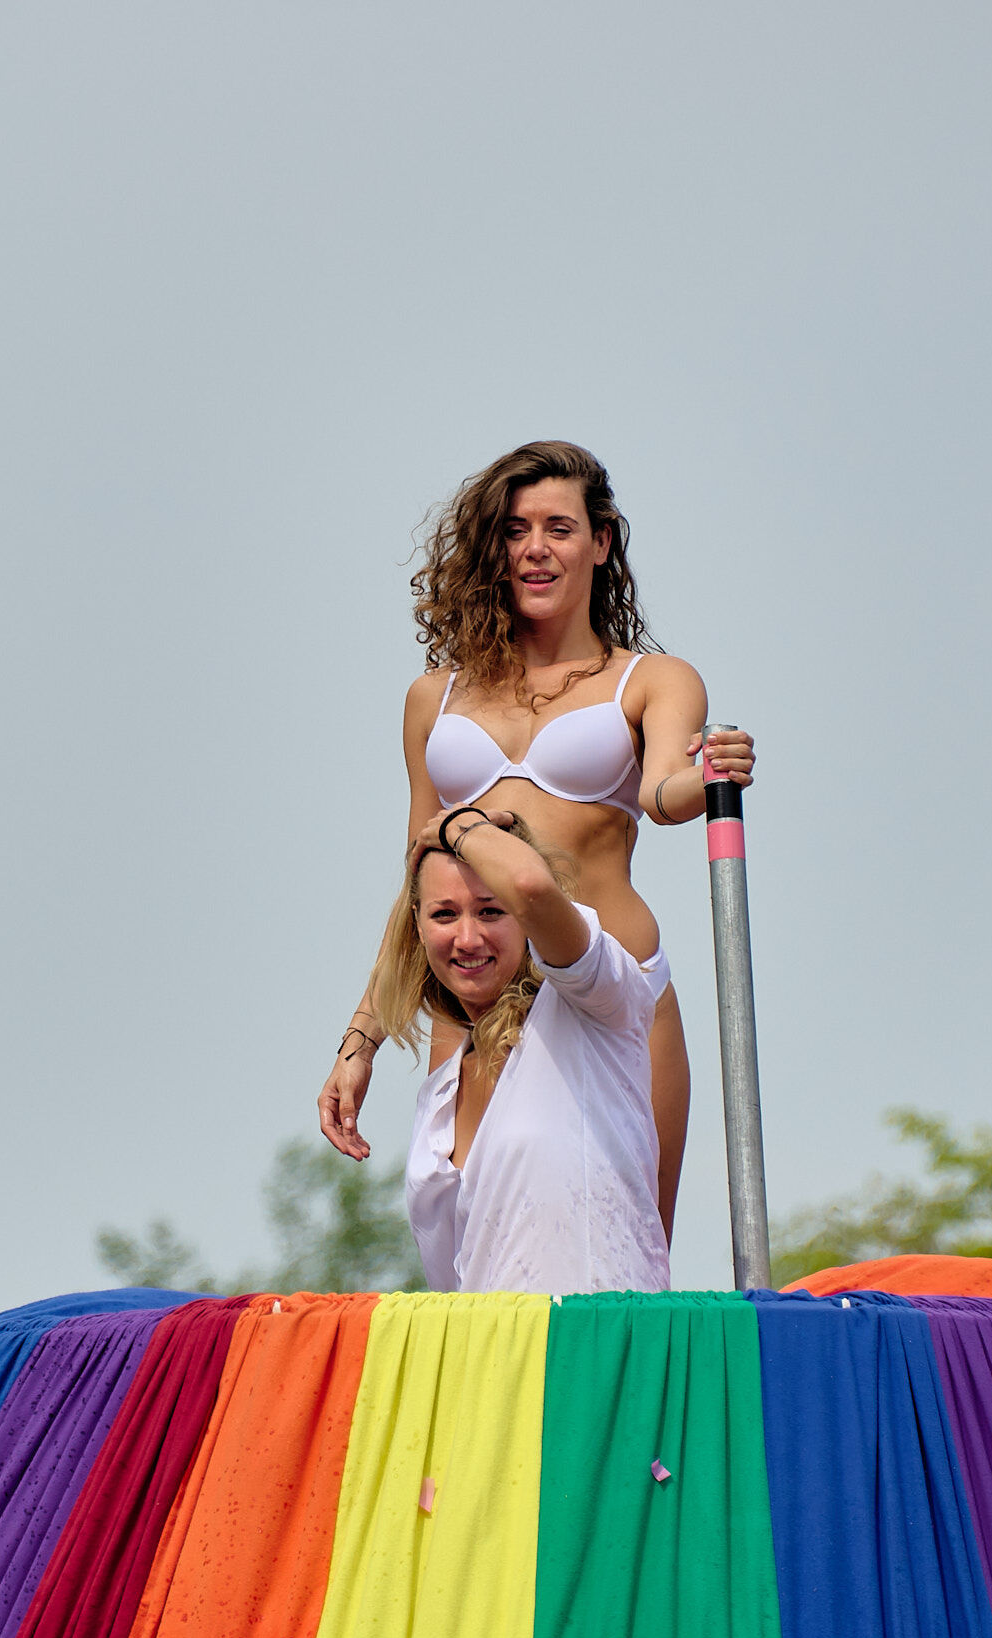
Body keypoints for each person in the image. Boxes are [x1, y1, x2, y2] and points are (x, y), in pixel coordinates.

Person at [317, 440, 755, 1239]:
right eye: (515, 531)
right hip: (478, 995)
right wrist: (361, 1040)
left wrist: (711, 776)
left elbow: (662, 793)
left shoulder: (653, 680)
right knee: (474, 1255)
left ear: (601, 540)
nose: (534, 549)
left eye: (558, 528)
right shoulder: (433, 698)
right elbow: (417, 885)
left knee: (627, 1250)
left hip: (609, 989)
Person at [374, 808, 669, 1295]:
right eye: (444, 914)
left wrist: (454, 825)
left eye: (491, 911)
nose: (468, 938)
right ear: (418, 926)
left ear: (528, 919)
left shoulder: (593, 1006)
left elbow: (531, 884)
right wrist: (358, 1046)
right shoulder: (439, 1093)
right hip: (490, 1342)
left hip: (601, 1333)